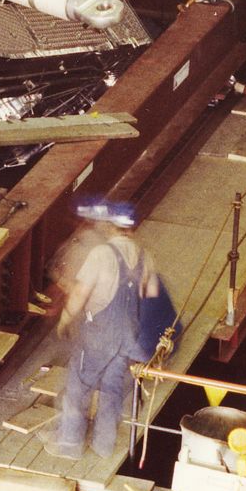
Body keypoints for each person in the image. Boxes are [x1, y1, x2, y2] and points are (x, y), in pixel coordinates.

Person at [50, 198, 176, 461]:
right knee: (112, 391)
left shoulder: (101, 254)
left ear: (111, 226)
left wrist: (65, 319)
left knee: (79, 387)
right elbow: (151, 294)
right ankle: (103, 446)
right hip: (126, 336)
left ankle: (70, 445)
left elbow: (81, 294)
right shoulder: (144, 255)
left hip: (98, 334)